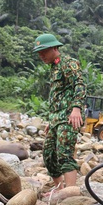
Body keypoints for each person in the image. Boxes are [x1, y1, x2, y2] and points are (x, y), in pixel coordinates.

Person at [33, 33, 86, 189]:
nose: (41, 55)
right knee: (48, 155)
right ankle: (60, 189)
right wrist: (52, 121)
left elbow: (80, 85)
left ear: (55, 48)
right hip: (56, 119)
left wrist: (76, 109)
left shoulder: (68, 63)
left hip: (68, 117)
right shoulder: (54, 68)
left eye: (44, 51)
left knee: (64, 154)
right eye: (39, 53)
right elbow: (58, 97)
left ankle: (70, 193)